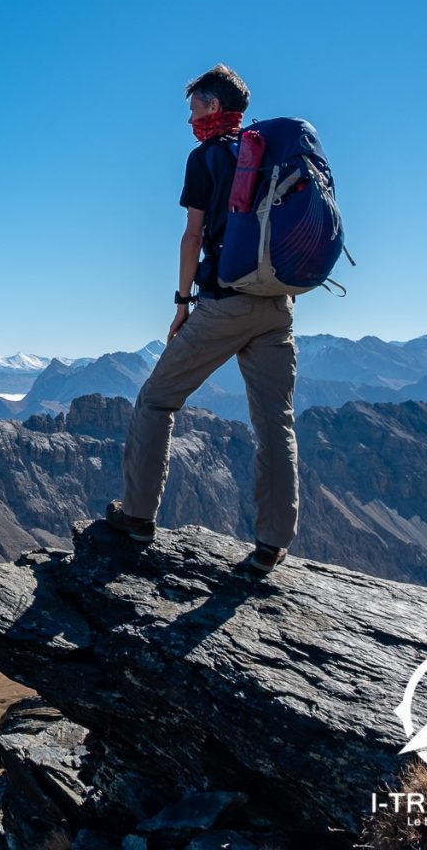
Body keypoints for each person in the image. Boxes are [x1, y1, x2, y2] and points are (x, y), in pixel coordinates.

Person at [104, 63, 298, 573]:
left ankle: (138, 515)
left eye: (193, 107)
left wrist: (182, 302)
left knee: (155, 400)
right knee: (275, 423)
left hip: (223, 302)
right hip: (278, 306)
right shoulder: (274, 155)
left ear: (213, 107)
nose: (189, 117)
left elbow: (192, 235)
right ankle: (272, 543)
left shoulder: (206, 157)